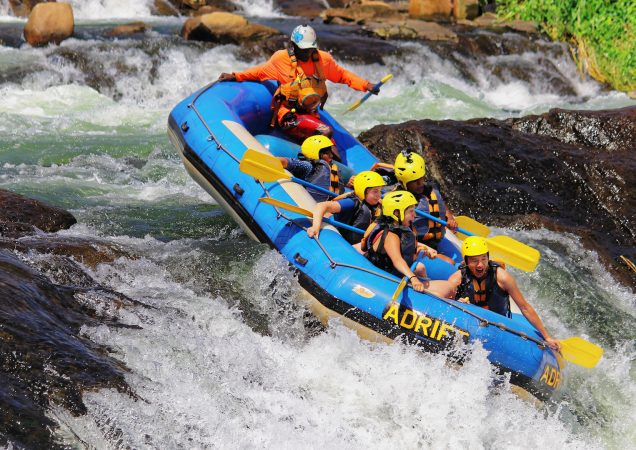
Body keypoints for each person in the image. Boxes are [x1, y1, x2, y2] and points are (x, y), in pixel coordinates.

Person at [217, 24, 381, 149]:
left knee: (331, 149)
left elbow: (343, 75)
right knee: (326, 132)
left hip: (311, 115)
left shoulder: (323, 60)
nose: (307, 53)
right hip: (289, 116)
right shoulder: (281, 59)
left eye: (310, 49)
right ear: (293, 46)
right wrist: (236, 75)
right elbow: (260, 72)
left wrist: (366, 85)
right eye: (303, 49)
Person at [448, 236, 561, 350]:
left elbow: (524, 307)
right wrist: (457, 303)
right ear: (466, 261)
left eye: (483, 259)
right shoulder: (457, 279)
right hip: (468, 324)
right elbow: (445, 304)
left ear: (488, 257)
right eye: (474, 260)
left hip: (498, 326)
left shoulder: (502, 277)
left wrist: (547, 337)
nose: (480, 265)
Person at [363, 190, 456, 298]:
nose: (414, 215)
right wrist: (413, 278)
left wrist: (423, 249)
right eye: (411, 211)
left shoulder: (404, 229)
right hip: (384, 279)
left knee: (449, 287)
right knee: (447, 288)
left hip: (397, 276)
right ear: (396, 213)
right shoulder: (390, 235)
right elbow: (397, 260)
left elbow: (406, 250)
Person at [394, 150, 458, 264]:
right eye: (414, 181)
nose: (420, 184)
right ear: (404, 183)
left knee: (464, 258)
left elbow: (441, 204)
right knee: (450, 263)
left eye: (421, 178)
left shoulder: (431, 188)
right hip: (415, 246)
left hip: (436, 240)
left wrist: (450, 218)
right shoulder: (400, 200)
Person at [306, 170, 386, 249]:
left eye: (380, 191)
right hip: (338, 240)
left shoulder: (373, 206)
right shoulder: (352, 202)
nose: (379, 195)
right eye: (375, 192)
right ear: (363, 191)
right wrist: (315, 227)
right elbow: (322, 205)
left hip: (353, 243)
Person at [278, 134, 344, 202]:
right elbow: (285, 162)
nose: (332, 155)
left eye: (331, 152)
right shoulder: (308, 166)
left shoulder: (332, 170)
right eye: (327, 153)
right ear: (316, 154)